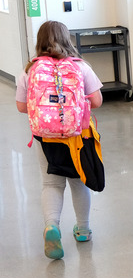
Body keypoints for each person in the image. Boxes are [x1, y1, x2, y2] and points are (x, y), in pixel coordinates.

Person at [15, 20, 103, 260]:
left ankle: (51, 226)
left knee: (51, 183)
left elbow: (22, 107)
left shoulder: (29, 70)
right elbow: (96, 101)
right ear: (67, 39)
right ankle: (83, 229)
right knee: (79, 181)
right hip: (76, 136)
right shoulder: (80, 66)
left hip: (45, 137)